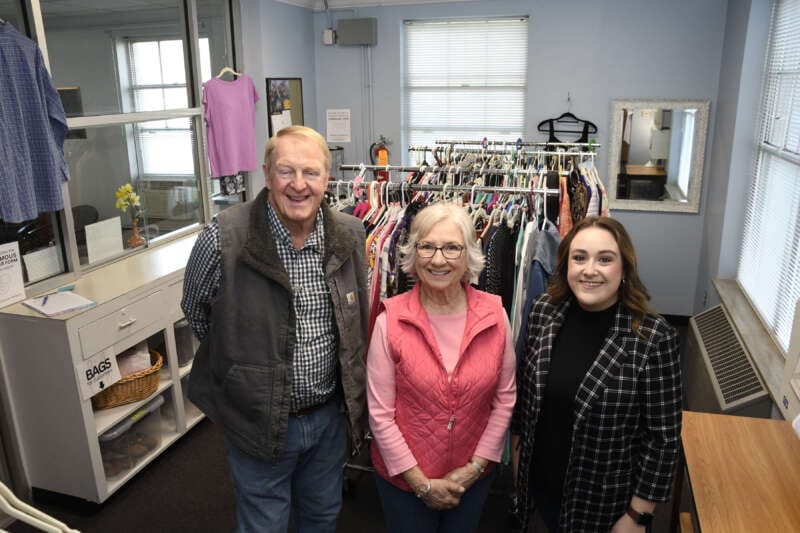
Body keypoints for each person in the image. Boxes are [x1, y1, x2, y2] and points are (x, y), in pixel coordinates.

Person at [181, 125, 369, 533]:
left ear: (328, 178)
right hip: (259, 421)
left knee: (322, 517)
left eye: (311, 172)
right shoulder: (222, 238)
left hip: (327, 420)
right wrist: (239, 374)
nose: (299, 185)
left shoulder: (351, 235)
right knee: (263, 525)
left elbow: (356, 324)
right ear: (267, 176)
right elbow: (196, 312)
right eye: (286, 171)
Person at [511, 216, 682, 532]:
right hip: (540, 494)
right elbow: (525, 403)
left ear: (624, 269)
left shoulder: (653, 338)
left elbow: (663, 441)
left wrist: (637, 516)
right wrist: (520, 469)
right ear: (566, 265)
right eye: (579, 258)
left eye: (605, 259)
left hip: (604, 508)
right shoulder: (544, 311)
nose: (590, 270)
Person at [367, 203, 517, 533]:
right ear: (413, 252)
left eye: (451, 247)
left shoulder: (495, 316)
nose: (438, 259)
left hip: (471, 480)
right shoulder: (389, 321)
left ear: (468, 255)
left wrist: (475, 468)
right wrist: (420, 484)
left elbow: (504, 400)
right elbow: (380, 415)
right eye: (427, 246)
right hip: (404, 484)